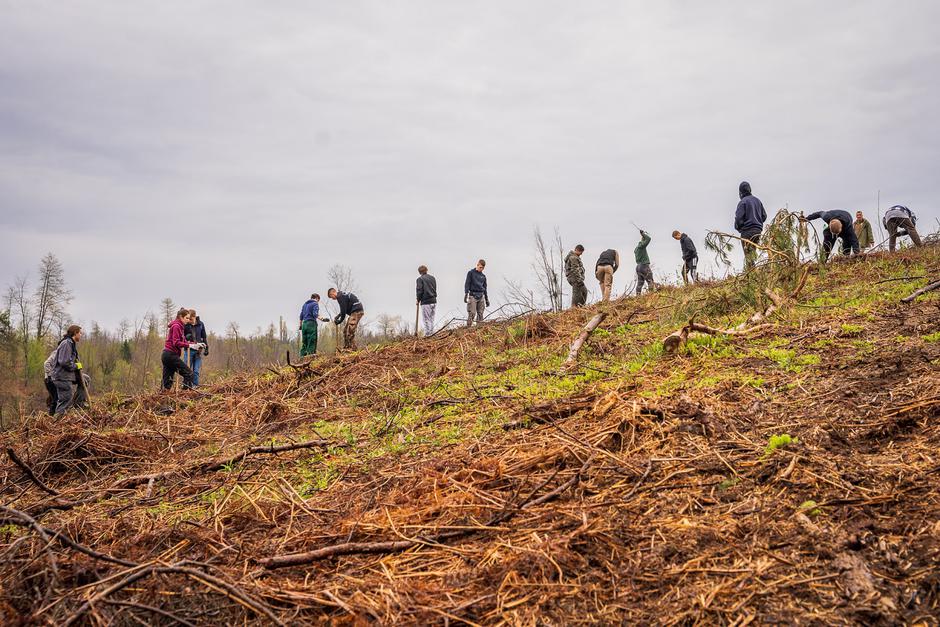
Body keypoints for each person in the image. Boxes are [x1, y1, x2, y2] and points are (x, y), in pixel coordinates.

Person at [51, 325, 87, 415]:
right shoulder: (66, 343)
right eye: (80, 333)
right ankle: (58, 420)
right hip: (61, 376)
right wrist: (76, 366)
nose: (81, 335)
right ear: (75, 333)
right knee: (66, 398)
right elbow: (64, 362)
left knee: (85, 379)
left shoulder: (71, 343)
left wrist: (76, 365)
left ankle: (78, 405)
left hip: (67, 374)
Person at [162, 308, 202, 390]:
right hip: (171, 355)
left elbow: (183, 341)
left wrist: (195, 344)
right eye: (186, 318)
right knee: (189, 374)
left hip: (166, 355)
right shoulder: (176, 326)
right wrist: (190, 346)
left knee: (167, 382)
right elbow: (176, 342)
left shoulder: (180, 327)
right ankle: (184, 394)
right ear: (180, 317)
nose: (188, 320)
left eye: (189, 318)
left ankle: (164, 396)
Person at [734, 181, 767, 270]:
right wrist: (757, 222)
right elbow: (764, 216)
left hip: (747, 232)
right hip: (758, 231)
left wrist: (739, 228)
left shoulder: (742, 202)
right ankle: (752, 274)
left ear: (740, 192)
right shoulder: (758, 201)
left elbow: (738, 219)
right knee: (752, 254)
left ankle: (751, 276)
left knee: (748, 256)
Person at [184, 310, 209, 385]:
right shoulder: (186, 325)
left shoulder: (201, 324)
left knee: (196, 371)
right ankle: (186, 387)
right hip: (189, 350)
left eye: (191, 319)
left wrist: (207, 348)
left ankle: (195, 388)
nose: (189, 321)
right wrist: (186, 337)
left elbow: (204, 337)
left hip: (198, 351)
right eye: (188, 319)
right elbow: (182, 337)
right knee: (187, 370)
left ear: (195, 317)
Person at [464, 259, 489, 326]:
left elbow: (485, 289)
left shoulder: (483, 277)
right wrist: (466, 294)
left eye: (483, 268)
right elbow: (467, 284)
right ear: (477, 265)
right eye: (480, 267)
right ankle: (468, 327)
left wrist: (486, 300)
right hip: (473, 295)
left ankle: (479, 328)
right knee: (472, 313)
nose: (481, 269)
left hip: (481, 296)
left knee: (480, 314)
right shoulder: (471, 273)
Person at [416, 266, 437, 336]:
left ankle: (428, 335)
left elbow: (419, 290)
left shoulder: (420, 279)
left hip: (426, 302)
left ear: (419, 272)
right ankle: (432, 333)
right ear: (426, 270)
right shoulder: (432, 278)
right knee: (431, 319)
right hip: (434, 301)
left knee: (426, 319)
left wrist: (418, 299)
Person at [634, 231, 655, 296]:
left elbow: (646, 239)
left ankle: (638, 297)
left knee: (640, 283)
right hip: (644, 266)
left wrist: (643, 236)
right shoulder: (641, 246)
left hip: (638, 267)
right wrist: (643, 234)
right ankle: (651, 296)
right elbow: (648, 239)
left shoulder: (636, 248)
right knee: (650, 281)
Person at [42, 348, 59, 415]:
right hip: (50, 380)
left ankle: (51, 415)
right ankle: (52, 415)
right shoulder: (57, 353)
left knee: (53, 398)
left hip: (51, 380)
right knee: (56, 398)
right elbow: (46, 363)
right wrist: (52, 376)